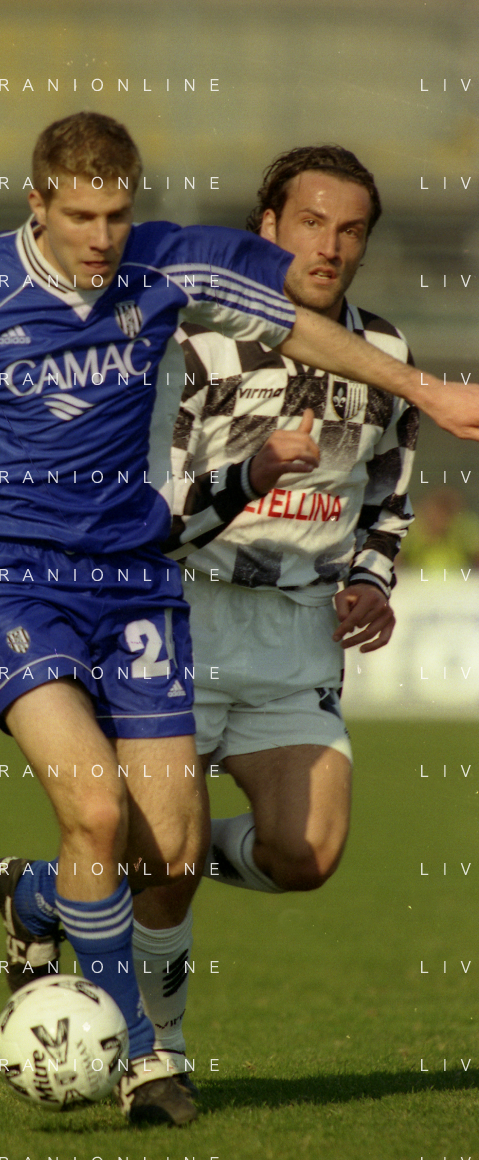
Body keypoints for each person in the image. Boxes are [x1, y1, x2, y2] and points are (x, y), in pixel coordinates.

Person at [0, 115, 479, 1127]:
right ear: (37, 203)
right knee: (99, 813)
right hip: (15, 578)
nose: (102, 237)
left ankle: (40, 901)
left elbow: (294, 326)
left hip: (138, 586)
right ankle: (145, 1056)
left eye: (116, 214)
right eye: (79, 216)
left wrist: (422, 390)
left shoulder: (161, 267)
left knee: (175, 854)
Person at [132, 145, 418, 1065]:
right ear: (267, 227)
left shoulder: (388, 355)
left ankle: (64, 882)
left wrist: (371, 581)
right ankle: (160, 1050)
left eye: (350, 231)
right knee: (167, 867)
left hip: (297, 637)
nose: (329, 247)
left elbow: (388, 499)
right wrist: (249, 476)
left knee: (308, 854)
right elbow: (151, 514)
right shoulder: (193, 343)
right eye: (311, 223)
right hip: (185, 619)